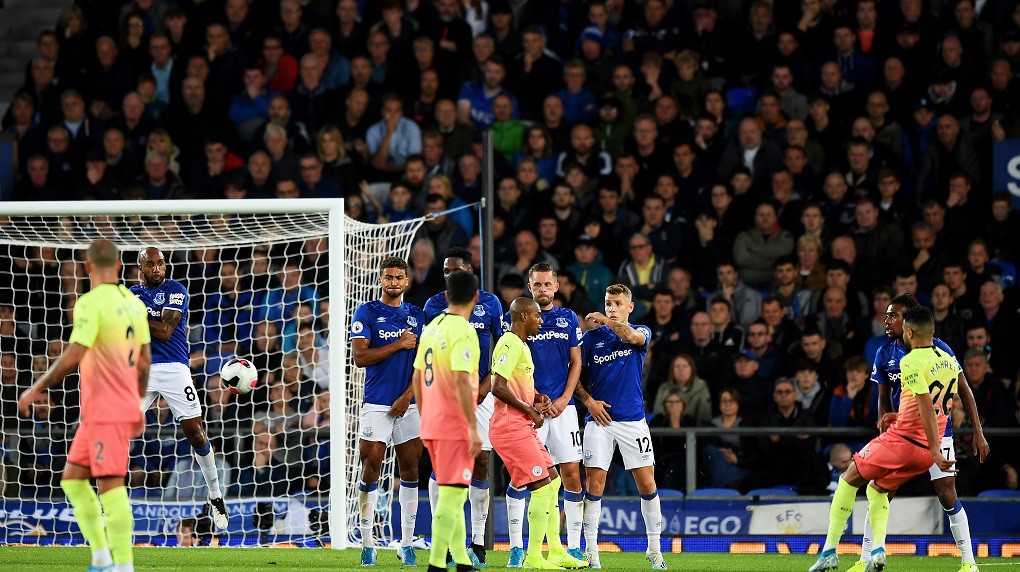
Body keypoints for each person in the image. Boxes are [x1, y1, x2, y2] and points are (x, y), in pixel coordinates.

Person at [17, 239, 151, 572]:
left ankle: (123, 566)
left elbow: (74, 355)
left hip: (107, 410)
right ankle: (102, 558)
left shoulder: (91, 303)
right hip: (105, 410)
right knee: (73, 479)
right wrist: (137, 400)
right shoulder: (133, 303)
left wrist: (36, 388)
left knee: (110, 485)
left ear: (87, 267)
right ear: (119, 267)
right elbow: (146, 362)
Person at [808, 308, 960, 572]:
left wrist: (936, 448)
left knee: (847, 480)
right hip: (923, 452)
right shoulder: (948, 360)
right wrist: (905, 422)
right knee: (876, 489)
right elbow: (942, 406)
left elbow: (925, 404)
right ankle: (878, 550)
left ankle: (829, 552)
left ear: (909, 332)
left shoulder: (910, 361)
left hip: (905, 442)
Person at [860, 294, 989, 572]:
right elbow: (883, 396)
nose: (887, 320)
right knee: (882, 491)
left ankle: (969, 563)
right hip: (903, 433)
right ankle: (865, 559)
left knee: (947, 493)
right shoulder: (884, 353)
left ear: (909, 321)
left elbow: (963, 388)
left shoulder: (939, 349)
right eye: (886, 315)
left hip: (940, 432)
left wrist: (978, 431)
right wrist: (883, 418)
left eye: (894, 315)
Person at [130, 247, 229, 530]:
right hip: (143, 369)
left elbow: (164, 330)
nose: (157, 269)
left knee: (196, 434)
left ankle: (215, 496)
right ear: (141, 267)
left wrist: (133, 317)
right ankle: (106, 503)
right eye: (151, 265)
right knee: (119, 431)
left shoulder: (176, 289)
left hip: (175, 368)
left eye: (160, 263)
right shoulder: (131, 294)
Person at [491, 297, 588, 569]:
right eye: (536, 316)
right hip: (511, 427)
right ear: (522, 317)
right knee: (543, 488)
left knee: (554, 482)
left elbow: (516, 384)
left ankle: (556, 551)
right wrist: (530, 410)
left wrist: (537, 397)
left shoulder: (521, 345)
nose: (540, 320)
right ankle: (533, 556)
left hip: (521, 425)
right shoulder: (509, 342)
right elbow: (497, 386)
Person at [423, 248, 504, 567]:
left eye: (455, 271)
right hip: (457, 404)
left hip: (470, 399)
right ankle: (442, 553)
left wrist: (487, 386)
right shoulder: (442, 315)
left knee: (472, 467)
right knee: (450, 477)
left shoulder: (491, 304)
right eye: (445, 271)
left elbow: (503, 347)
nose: (449, 276)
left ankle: (475, 545)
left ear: (470, 273)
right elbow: (456, 379)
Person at [579, 284, 666, 570]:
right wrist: (589, 401)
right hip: (599, 422)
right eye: (608, 303)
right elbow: (574, 376)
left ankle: (655, 550)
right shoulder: (591, 339)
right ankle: (591, 553)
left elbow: (631, 336)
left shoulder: (641, 332)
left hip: (632, 421)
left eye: (618, 303)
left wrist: (607, 321)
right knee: (594, 485)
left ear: (630, 307)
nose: (612, 308)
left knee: (648, 484)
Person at [349, 257, 425, 566]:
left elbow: (423, 365)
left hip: (410, 405)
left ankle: (406, 543)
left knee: (410, 470)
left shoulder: (418, 316)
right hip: (377, 403)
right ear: (381, 280)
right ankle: (367, 543)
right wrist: (399, 344)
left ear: (407, 281)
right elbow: (360, 357)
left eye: (398, 277)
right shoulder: (366, 312)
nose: (393, 282)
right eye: (388, 277)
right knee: (371, 467)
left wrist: (408, 396)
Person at [412, 270, 482, 572]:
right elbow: (462, 381)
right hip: (454, 425)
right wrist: (471, 426)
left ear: (446, 296)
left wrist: (426, 413)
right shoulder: (463, 331)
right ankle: (437, 564)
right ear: (476, 298)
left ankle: (463, 561)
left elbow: (416, 377)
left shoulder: (431, 327)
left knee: (451, 491)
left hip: (431, 422)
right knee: (453, 497)